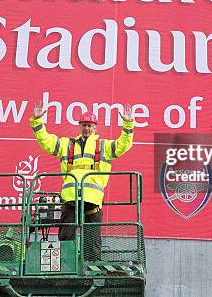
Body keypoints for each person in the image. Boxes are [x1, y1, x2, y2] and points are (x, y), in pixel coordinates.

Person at [29, 101, 135, 261]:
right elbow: (47, 142)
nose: (87, 128)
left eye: (90, 125)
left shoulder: (104, 146)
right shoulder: (67, 144)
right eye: (84, 125)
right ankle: (65, 264)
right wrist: (37, 121)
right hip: (71, 199)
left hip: (93, 200)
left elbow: (123, 144)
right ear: (80, 126)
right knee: (66, 236)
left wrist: (128, 124)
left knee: (92, 238)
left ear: (95, 128)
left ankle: (91, 266)